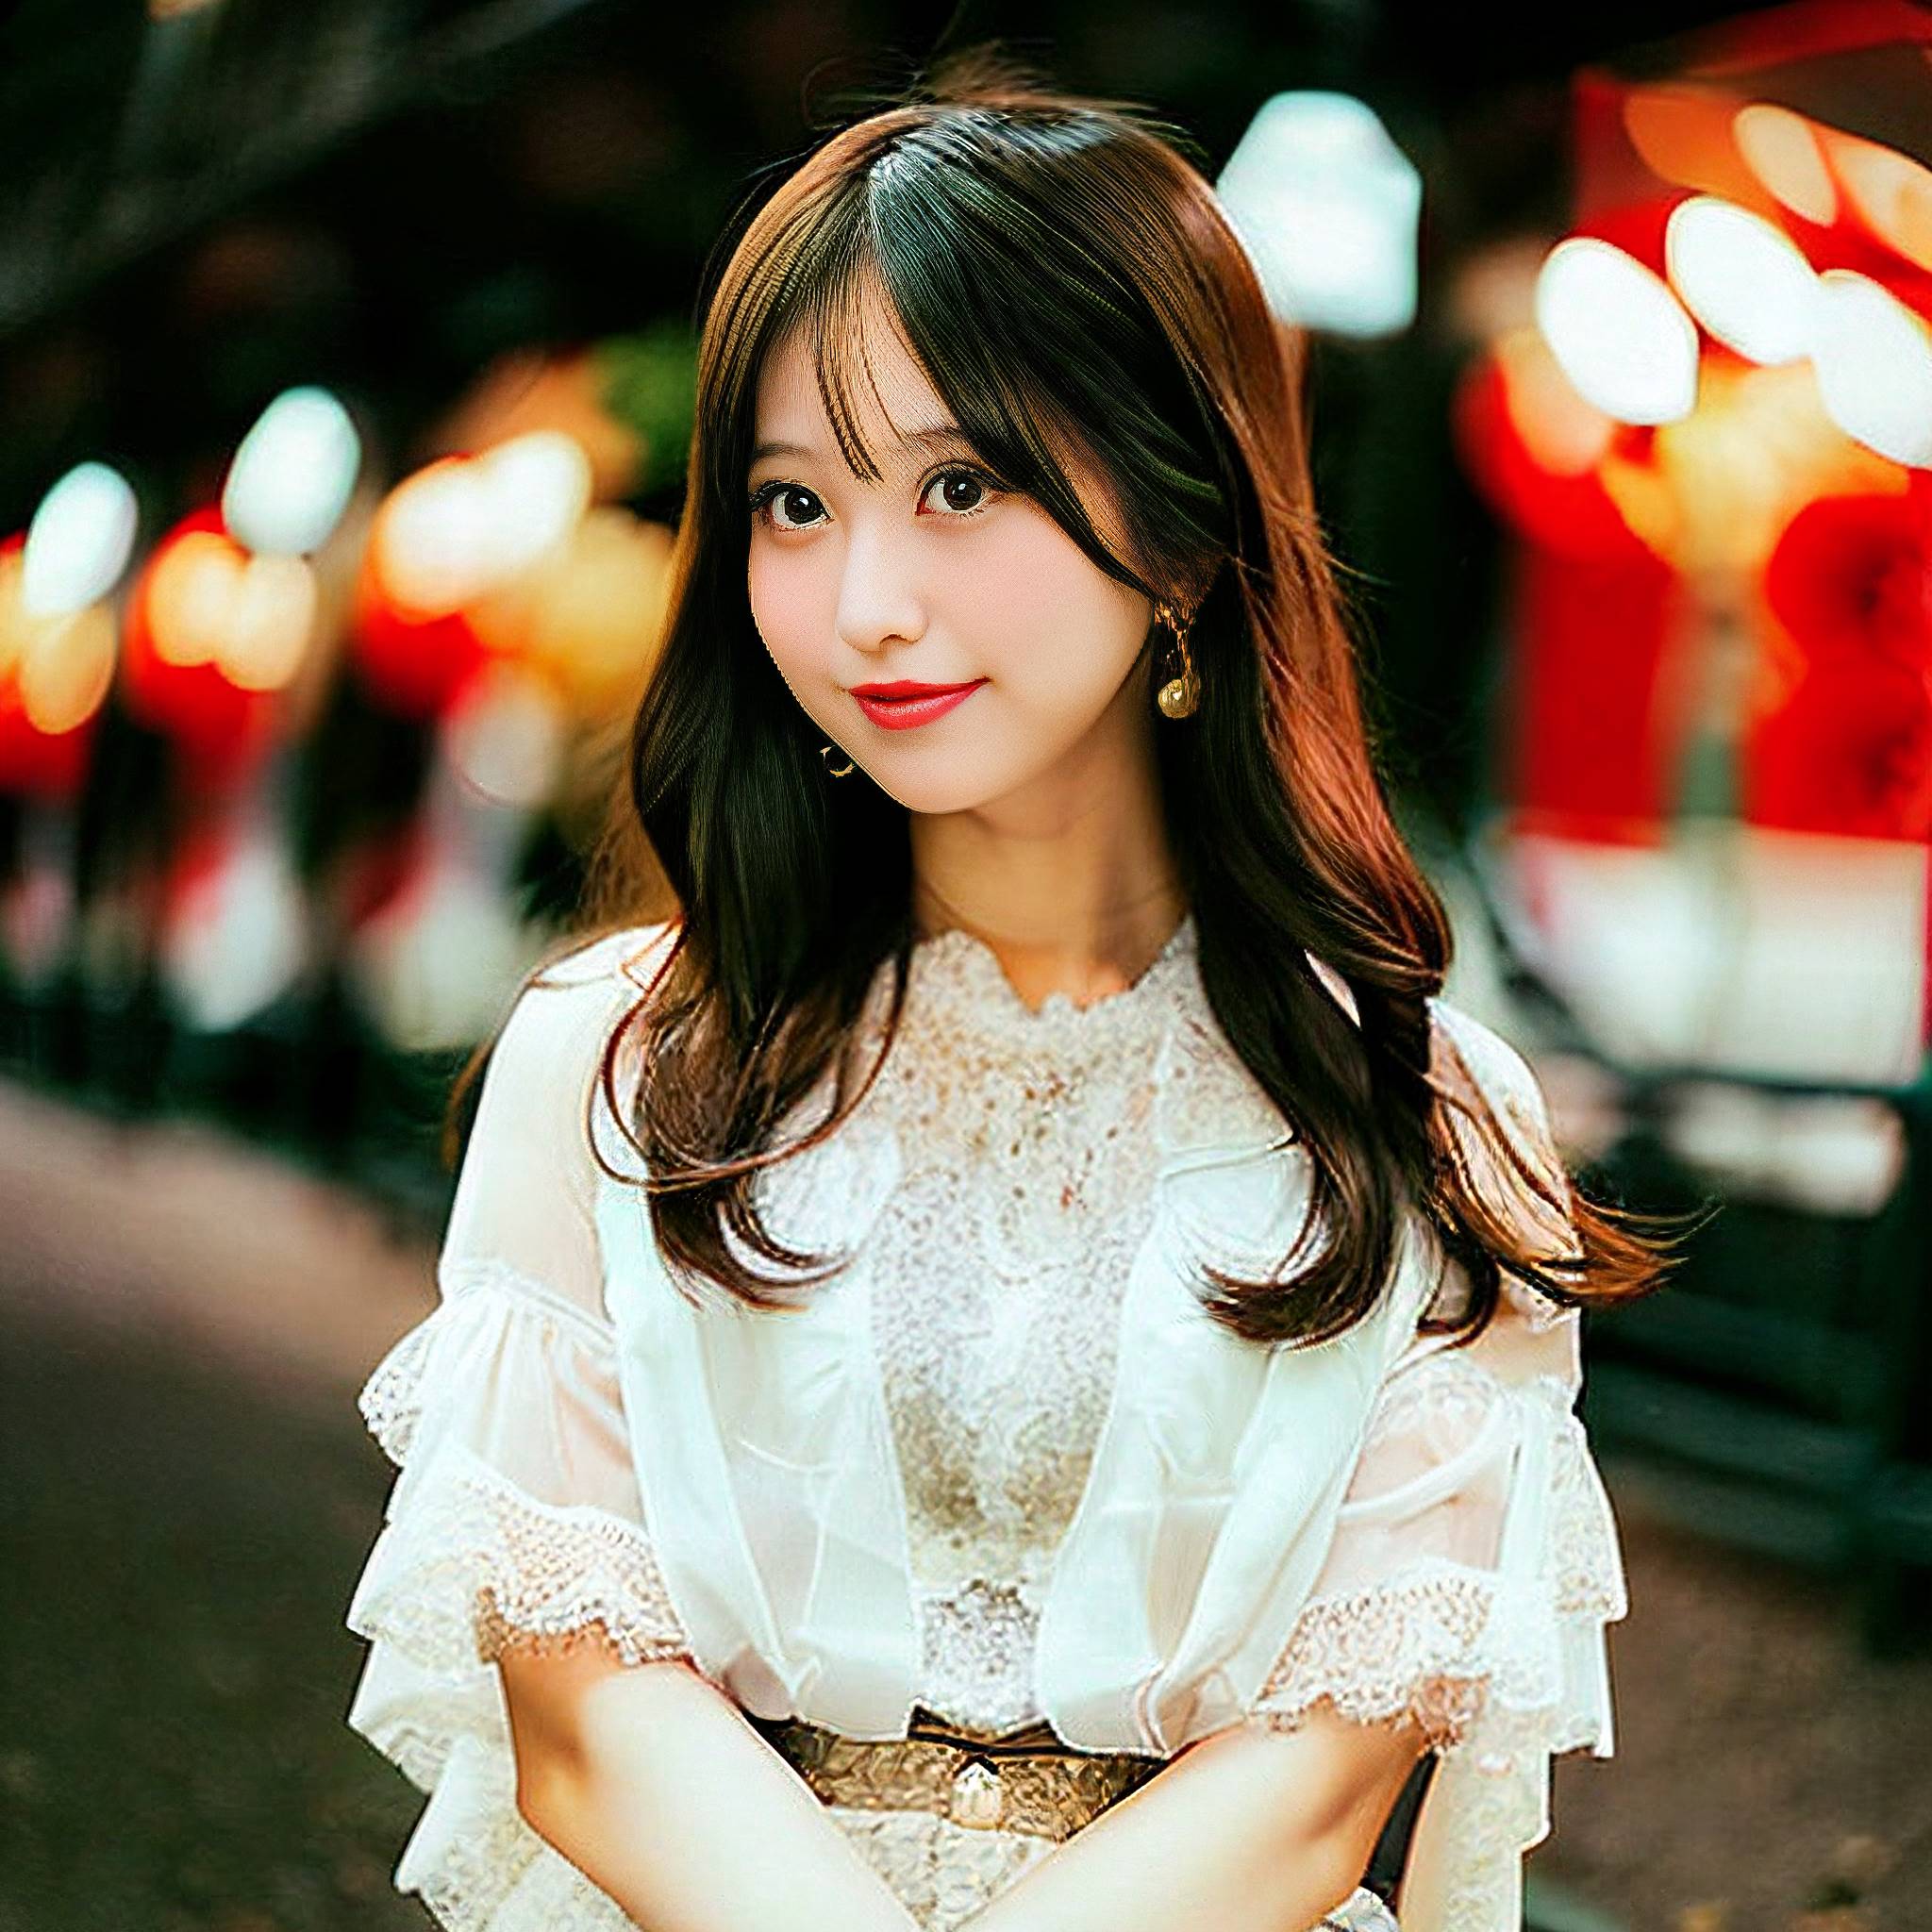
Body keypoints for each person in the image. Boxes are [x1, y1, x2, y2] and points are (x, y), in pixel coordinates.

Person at [343, 45, 1677, 1932]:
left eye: (958, 481)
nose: (864, 598)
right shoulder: (621, 1061)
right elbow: (584, 1714)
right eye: (793, 505)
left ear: (1186, 519)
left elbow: (1318, 1788)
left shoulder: (1431, 1123)